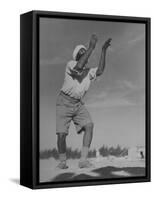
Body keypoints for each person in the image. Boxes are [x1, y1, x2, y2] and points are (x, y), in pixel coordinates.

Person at [56, 34, 111, 169]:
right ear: (77, 56)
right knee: (62, 135)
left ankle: (83, 160)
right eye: (82, 51)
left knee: (89, 126)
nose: (85, 52)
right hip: (63, 102)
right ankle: (62, 162)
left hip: (78, 104)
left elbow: (100, 70)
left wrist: (103, 50)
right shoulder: (71, 64)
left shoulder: (88, 72)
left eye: (85, 50)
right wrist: (91, 48)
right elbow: (78, 68)